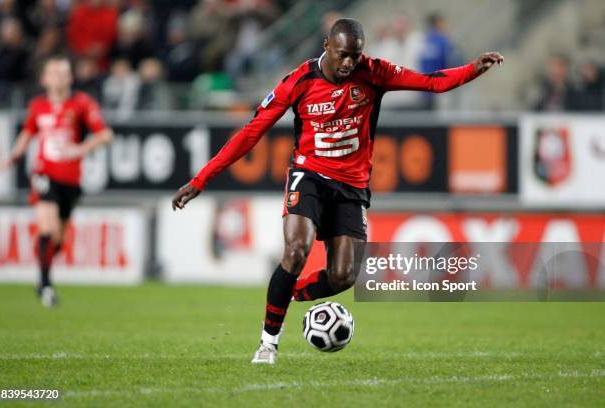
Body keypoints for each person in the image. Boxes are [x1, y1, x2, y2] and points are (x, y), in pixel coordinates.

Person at [171, 18, 503, 364]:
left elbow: (430, 82)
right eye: (343, 55)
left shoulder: (374, 71)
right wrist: (200, 180)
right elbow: (250, 133)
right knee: (296, 250)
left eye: (355, 56)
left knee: (343, 276)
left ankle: (286, 291)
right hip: (309, 175)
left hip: (352, 185)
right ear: (327, 46)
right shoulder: (298, 82)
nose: (349, 63)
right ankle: (268, 343)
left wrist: (472, 69)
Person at [1, 55, 113, 307]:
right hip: (44, 173)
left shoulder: (82, 104)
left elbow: (106, 134)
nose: (59, 77)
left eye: (64, 72)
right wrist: (15, 154)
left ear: (71, 78)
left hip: (71, 179)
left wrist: (82, 148)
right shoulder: (38, 106)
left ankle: (43, 274)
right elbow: (29, 131)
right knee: (47, 228)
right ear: (44, 79)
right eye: (54, 73)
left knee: (59, 239)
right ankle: (45, 284)